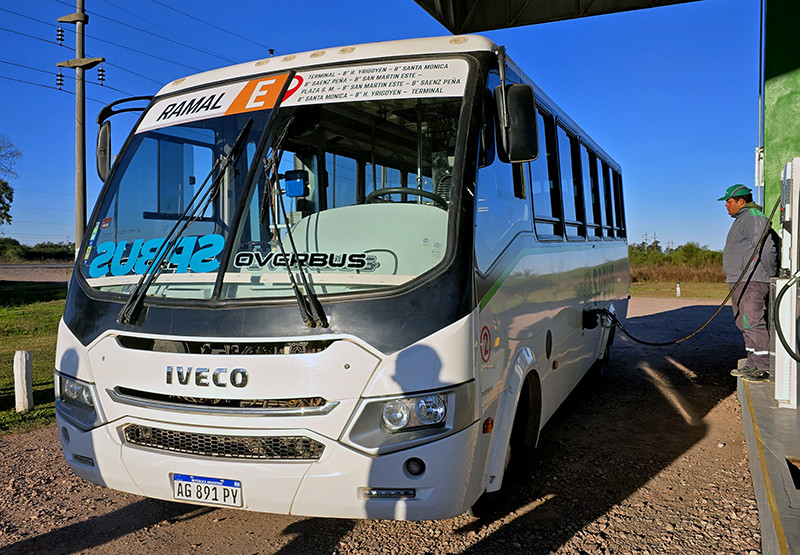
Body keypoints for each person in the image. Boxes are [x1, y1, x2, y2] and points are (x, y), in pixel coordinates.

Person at [718, 184, 778, 382]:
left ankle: (763, 366)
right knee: (743, 321)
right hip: (740, 280)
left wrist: (770, 274)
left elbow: (767, 247)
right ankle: (753, 363)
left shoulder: (754, 217)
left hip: (752, 280)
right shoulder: (742, 219)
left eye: (729, 201)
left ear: (741, 201)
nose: (726, 205)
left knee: (752, 321)